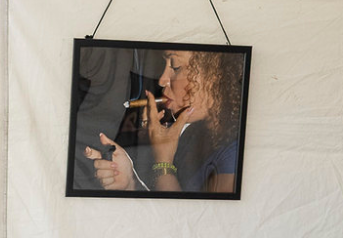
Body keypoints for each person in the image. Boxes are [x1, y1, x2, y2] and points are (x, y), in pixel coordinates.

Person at [84, 47, 245, 194]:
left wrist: (163, 163)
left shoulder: (235, 156)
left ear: (215, 76)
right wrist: (130, 182)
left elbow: (184, 220)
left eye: (175, 67)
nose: (162, 80)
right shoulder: (195, 136)